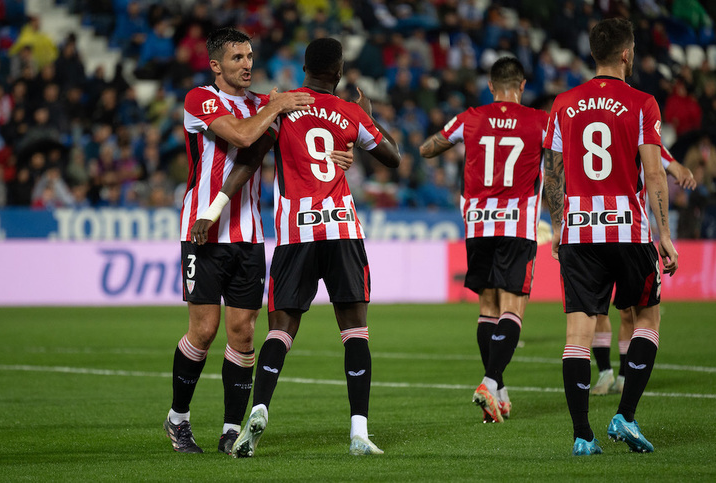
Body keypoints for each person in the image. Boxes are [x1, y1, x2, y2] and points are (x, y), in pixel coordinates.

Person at [191, 37, 401, 457]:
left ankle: (261, 408)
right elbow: (392, 158)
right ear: (339, 71)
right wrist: (370, 117)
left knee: (281, 330)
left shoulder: (283, 108)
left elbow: (248, 161)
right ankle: (359, 432)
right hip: (342, 230)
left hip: (296, 234)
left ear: (304, 68)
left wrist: (213, 209)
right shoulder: (351, 111)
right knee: (354, 330)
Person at [163, 27, 318, 455]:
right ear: (216, 65)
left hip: (249, 234)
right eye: (236, 58)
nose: (247, 64)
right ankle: (178, 419)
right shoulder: (200, 99)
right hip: (203, 231)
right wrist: (279, 105)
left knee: (244, 333)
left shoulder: (260, 106)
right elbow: (243, 136)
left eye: (249, 56)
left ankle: (231, 429)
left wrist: (344, 152)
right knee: (204, 329)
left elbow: (295, 148)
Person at [543, 18, 678, 456]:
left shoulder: (564, 103)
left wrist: (561, 227)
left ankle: (583, 435)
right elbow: (655, 173)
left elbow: (553, 175)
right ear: (626, 54)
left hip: (580, 232)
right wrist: (667, 236)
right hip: (629, 230)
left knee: (577, 334)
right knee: (647, 319)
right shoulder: (642, 102)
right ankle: (626, 415)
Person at [419, 57, 549, 423]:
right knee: (513, 307)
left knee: (487, 309)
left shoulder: (471, 118)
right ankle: (489, 382)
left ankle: (500, 391)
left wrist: (452, 140)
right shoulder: (540, 121)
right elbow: (553, 174)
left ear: (491, 87)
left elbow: (429, 148)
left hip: (477, 222)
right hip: (517, 223)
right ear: (521, 86)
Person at [592, 146, 695, 396]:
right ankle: (604, 372)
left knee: (629, 312)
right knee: (596, 310)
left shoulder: (631, 118)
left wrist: (675, 165)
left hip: (629, 229)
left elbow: (651, 145)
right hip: (595, 230)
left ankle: (625, 376)